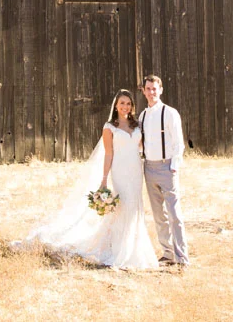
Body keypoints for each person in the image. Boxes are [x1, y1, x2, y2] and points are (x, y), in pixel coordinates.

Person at [25, 90, 157, 269]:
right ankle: (118, 249)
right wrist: (104, 180)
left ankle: (135, 246)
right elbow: (109, 154)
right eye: (122, 103)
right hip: (120, 171)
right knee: (123, 205)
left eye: (128, 103)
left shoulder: (137, 126)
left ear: (132, 106)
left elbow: (142, 146)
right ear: (116, 106)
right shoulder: (109, 127)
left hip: (135, 171)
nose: (125, 106)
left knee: (135, 206)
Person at [140, 74, 190, 268]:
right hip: (149, 168)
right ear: (144, 91)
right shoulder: (143, 116)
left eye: (155, 88)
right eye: (148, 89)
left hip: (166, 166)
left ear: (160, 90)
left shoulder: (169, 113)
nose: (152, 92)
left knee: (174, 214)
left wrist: (174, 166)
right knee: (158, 214)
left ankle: (182, 257)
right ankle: (168, 253)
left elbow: (178, 143)